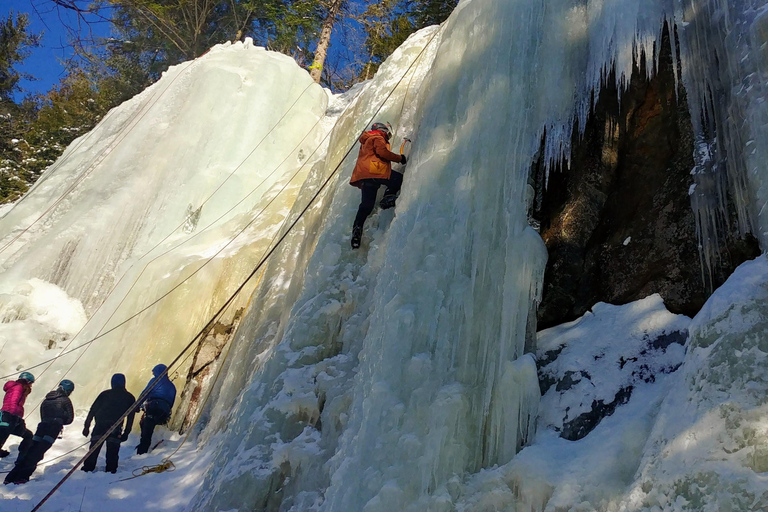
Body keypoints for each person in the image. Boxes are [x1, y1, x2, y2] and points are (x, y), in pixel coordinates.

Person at [4, 379, 74, 484]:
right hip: (53, 428)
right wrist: (59, 419)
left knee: (31, 450)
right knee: (38, 452)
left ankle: (11, 477)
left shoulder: (46, 400)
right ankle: (22, 477)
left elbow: (42, 415)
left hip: (42, 426)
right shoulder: (65, 400)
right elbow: (69, 419)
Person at [349, 121, 406, 249]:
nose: (387, 135)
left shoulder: (366, 141)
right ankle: (388, 197)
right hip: (376, 170)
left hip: (365, 176)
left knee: (366, 205)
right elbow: (382, 152)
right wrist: (399, 158)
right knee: (398, 179)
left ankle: (357, 229)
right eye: (387, 132)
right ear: (382, 130)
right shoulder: (377, 137)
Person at [81, 373, 137, 473]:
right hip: (115, 427)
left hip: (100, 425)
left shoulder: (104, 394)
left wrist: (86, 426)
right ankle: (111, 470)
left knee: (93, 450)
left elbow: (92, 410)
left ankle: (88, 468)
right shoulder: (129, 397)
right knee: (113, 452)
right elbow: (130, 417)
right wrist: (127, 432)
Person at [136, 364, 176, 455]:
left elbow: (145, 393)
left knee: (146, 426)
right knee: (148, 423)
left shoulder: (154, 381)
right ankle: (148, 444)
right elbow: (171, 403)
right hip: (164, 413)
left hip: (154, 408)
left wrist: (137, 405)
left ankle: (142, 452)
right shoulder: (172, 386)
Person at [0, 372, 35, 458]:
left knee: (28, 435)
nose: (31, 386)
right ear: (28, 381)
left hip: (9, 416)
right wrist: (15, 416)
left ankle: (24, 455)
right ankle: (24, 456)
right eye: (31, 383)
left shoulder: (19, 388)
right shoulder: (18, 387)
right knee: (4, 434)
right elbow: (13, 401)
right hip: (9, 416)